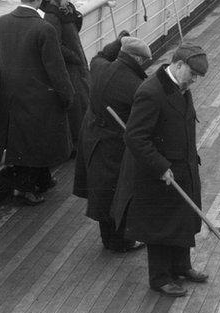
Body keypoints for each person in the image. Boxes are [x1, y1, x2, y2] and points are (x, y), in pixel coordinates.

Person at [111, 43, 209, 297]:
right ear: (178, 65)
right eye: (193, 74)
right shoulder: (151, 92)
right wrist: (161, 166)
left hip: (184, 167)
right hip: (159, 175)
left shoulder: (180, 87)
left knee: (183, 219)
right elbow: (135, 137)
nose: (194, 81)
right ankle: (160, 277)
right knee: (162, 225)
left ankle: (181, 266)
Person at [0, 0, 74, 205]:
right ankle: (24, 189)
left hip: (12, 95)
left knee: (24, 141)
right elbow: (56, 69)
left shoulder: (2, 22)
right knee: (40, 139)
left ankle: (41, 179)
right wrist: (68, 95)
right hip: (41, 97)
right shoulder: (45, 29)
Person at [72, 34, 151, 253]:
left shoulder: (99, 68)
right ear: (139, 60)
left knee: (102, 192)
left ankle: (108, 239)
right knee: (120, 193)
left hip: (92, 137)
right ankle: (120, 242)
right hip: (115, 145)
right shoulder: (137, 86)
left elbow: (99, 55)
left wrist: (119, 41)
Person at [40, 0, 90, 154]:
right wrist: (75, 57)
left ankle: (81, 141)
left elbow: (76, 27)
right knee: (76, 104)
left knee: (84, 99)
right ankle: (75, 145)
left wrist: (74, 13)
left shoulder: (64, 11)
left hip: (78, 64)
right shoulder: (51, 16)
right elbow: (56, 44)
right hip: (70, 67)